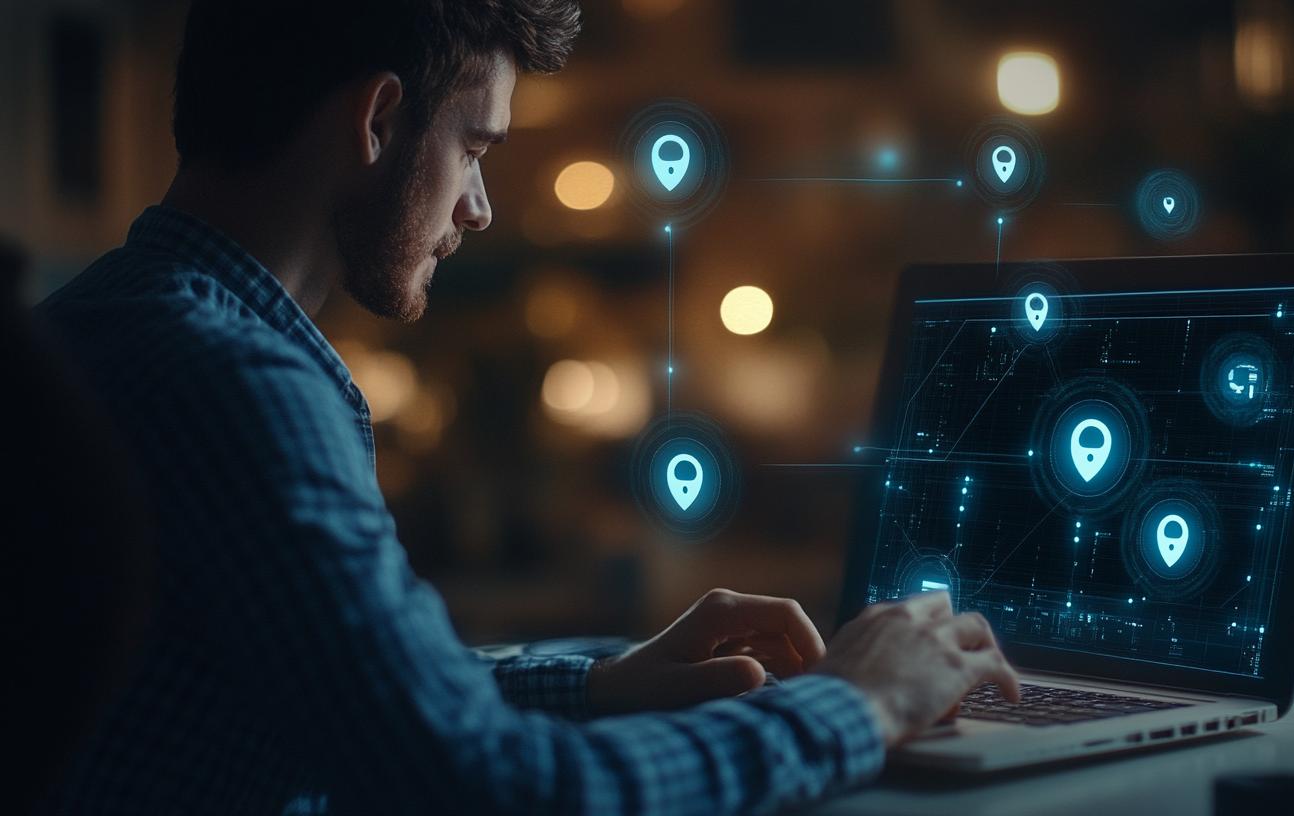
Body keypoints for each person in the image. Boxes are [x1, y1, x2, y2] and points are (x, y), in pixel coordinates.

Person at [34, 1, 1019, 813]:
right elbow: (479, 785)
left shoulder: (91, 324)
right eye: (475, 148)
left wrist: (597, 681)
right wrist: (857, 705)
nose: (479, 207)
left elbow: (338, 699)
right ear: (377, 121)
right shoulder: (239, 384)